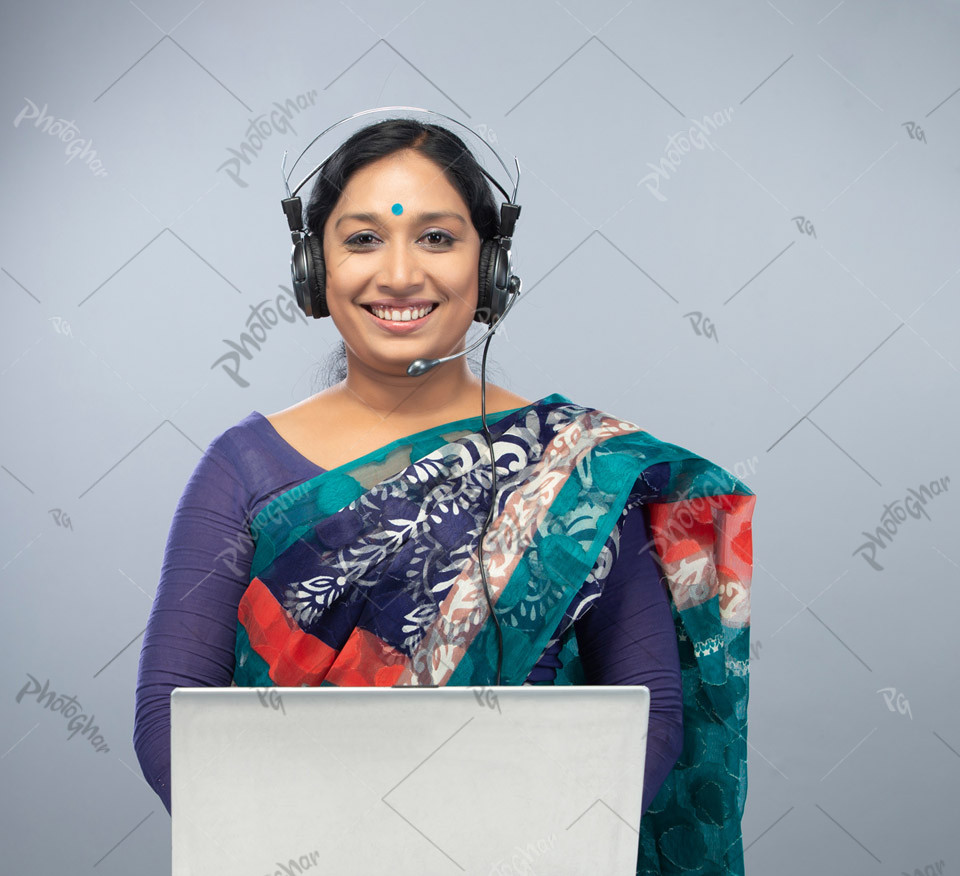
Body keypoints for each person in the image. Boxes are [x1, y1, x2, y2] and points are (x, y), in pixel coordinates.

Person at [133, 115, 756, 875]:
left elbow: (650, 716)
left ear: (489, 269)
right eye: (363, 239)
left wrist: (523, 851)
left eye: (437, 238)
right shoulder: (244, 468)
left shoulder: (577, 471)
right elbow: (170, 722)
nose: (399, 275)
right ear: (314, 269)